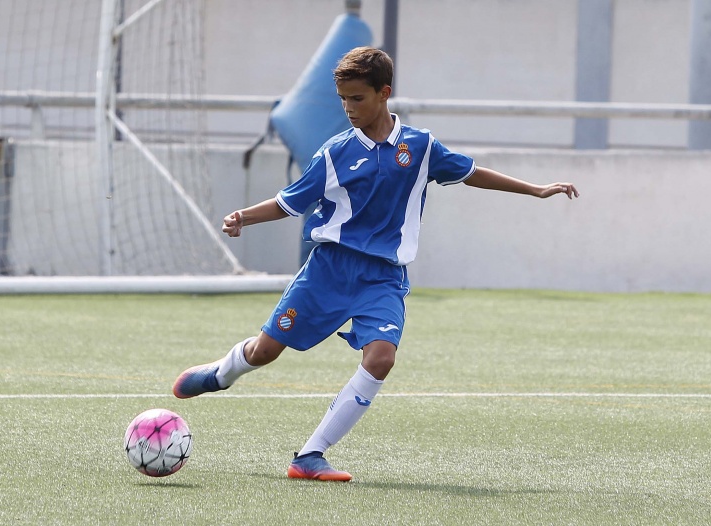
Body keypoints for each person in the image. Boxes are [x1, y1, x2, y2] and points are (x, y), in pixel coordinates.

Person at [173, 46, 579, 482]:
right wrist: (243, 217)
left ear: (384, 93)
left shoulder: (420, 147)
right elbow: (290, 201)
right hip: (329, 270)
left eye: (357, 98)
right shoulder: (334, 153)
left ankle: (310, 455)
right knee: (265, 351)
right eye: (343, 99)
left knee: (381, 358)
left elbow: (472, 172)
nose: (348, 108)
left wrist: (535, 189)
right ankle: (221, 373)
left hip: (384, 278)